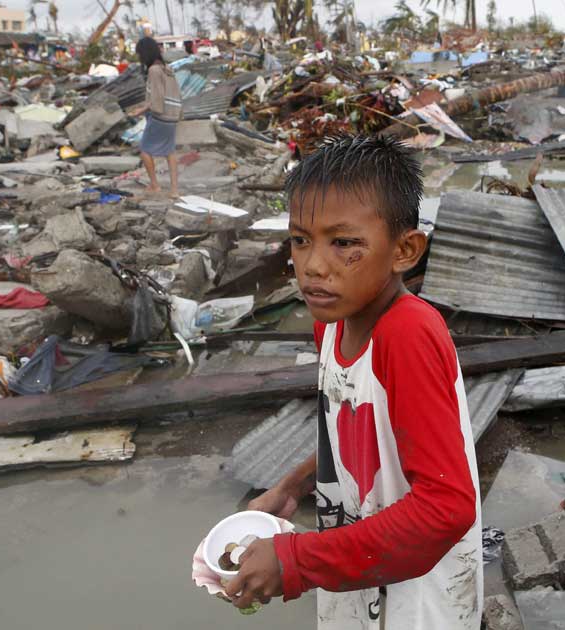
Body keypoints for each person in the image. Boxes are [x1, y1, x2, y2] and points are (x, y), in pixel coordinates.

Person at [224, 134, 482, 630]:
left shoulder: (406, 334)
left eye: (344, 243)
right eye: (301, 239)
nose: (313, 265)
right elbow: (353, 432)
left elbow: (446, 508)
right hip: (359, 565)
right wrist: (292, 485)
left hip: (417, 599)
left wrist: (296, 560)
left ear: (405, 249)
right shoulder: (333, 321)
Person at [126, 37, 182, 198]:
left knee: (145, 150)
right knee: (170, 152)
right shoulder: (167, 69)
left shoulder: (154, 71)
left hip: (160, 116)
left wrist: (140, 110)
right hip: (172, 116)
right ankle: (174, 190)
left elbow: (156, 98)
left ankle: (155, 185)